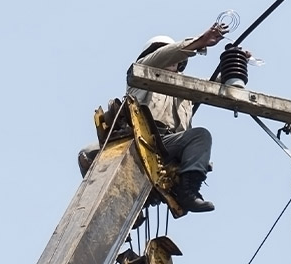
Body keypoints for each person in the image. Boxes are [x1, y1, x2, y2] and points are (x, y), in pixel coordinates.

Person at [78, 24, 232, 213]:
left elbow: (215, 86)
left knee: (200, 136)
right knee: (88, 153)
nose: (172, 60)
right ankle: (111, 206)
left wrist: (235, 64)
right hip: (138, 139)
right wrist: (199, 42)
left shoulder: (186, 88)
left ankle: (188, 192)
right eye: (165, 54)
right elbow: (167, 54)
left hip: (168, 146)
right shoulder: (142, 71)